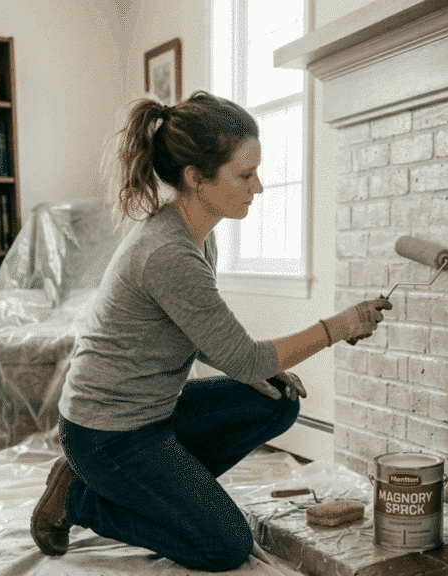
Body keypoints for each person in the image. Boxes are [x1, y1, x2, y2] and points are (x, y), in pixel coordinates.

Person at [29, 91, 392, 571]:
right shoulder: (168, 253)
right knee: (224, 547)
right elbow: (245, 358)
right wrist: (338, 326)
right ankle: (82, 499)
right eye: (244, 175)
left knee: (276, 399)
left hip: (151, 413)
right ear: (196, 178)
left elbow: (210, 339)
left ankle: (169, 495)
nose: (257, 187)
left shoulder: (200, 234)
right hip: (107, 435)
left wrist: (256, 370)